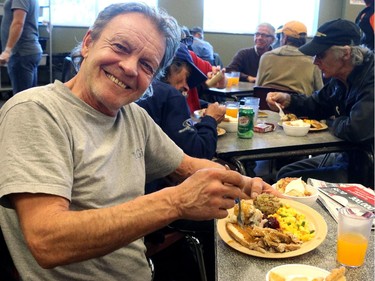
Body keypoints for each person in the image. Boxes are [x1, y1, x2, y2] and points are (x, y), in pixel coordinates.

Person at [0, 3, 277, 280]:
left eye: (147, 65)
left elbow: (188, 167)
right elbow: (47, 241)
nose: (130, 68)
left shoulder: (133, 116)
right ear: (88, 43)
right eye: (120, 47)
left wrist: (245, 185)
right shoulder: (34, 111)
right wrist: (176, 202)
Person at [266, 19, 374, 187]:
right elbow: (317, 104)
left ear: (346, 53)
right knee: (285, 175)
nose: (315, 61)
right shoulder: (340, 78)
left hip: (366, 168)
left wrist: (331, 121)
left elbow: (356, 130)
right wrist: (288, 100)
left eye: (321, 54)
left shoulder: (371, 80)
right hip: (347, 155)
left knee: (287, 183)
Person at [137, 43, 225, 163]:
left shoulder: (141, 88)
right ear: (173, 66)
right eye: (187, 77)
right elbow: (199, 154)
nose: (187, 87)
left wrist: (204, 104)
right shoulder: (171, 95)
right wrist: (211, 119)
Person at [256, 21, 323, 95]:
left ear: (285, 38)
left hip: (267, 105)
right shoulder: (312, 61)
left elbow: (257, 87)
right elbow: (320, 93)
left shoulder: (266, 57)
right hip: (298, 106)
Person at [0, 0, 43, 94]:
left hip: (21, 53)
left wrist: (7, 50)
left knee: (22, 100)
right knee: (29, 97)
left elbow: (18, 23)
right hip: (27, 52)